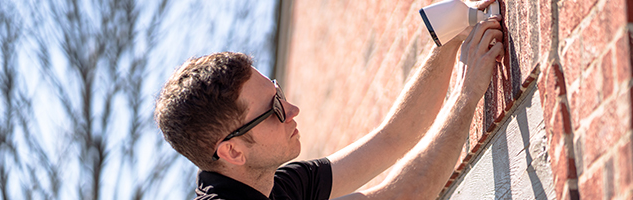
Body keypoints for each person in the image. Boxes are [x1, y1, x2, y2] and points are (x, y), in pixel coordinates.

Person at [154, 1, 504, 199]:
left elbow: (391, 138)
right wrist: (468, 92)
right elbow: (409, 192)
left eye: (279, 95)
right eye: (274, 110)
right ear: (232, 151)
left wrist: (449, 39)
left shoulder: (275, 186)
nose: (292, 110)